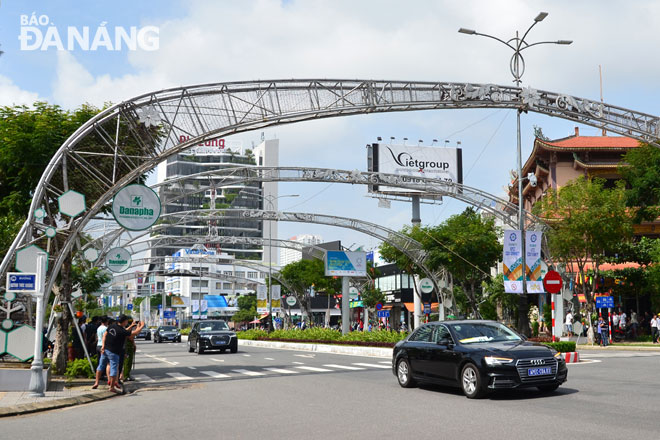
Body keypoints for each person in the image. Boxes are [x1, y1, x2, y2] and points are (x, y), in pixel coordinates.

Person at [92, 315, 144, 393]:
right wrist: (142, 326)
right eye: (126, 321)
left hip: (105, 349)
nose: (127, 322)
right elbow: (134, 333)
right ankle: (112, 387)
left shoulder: (112, 326)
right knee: (114, 369)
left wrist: (103, 346)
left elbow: (105, 335)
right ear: (124, 321)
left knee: (101, 366)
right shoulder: (121, 331)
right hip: (114, 352)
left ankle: (96, 382)